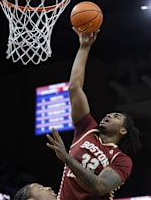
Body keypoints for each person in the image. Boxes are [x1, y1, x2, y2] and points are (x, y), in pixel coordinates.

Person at [45, 28, 142, 200]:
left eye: (117, 117)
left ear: (123, 131)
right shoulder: (87, 128)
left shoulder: (122, 160)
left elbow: (100, 187)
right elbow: (74, 88)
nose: (109, 116)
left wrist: (67, 159)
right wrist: (84, 47)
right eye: (110, 114)